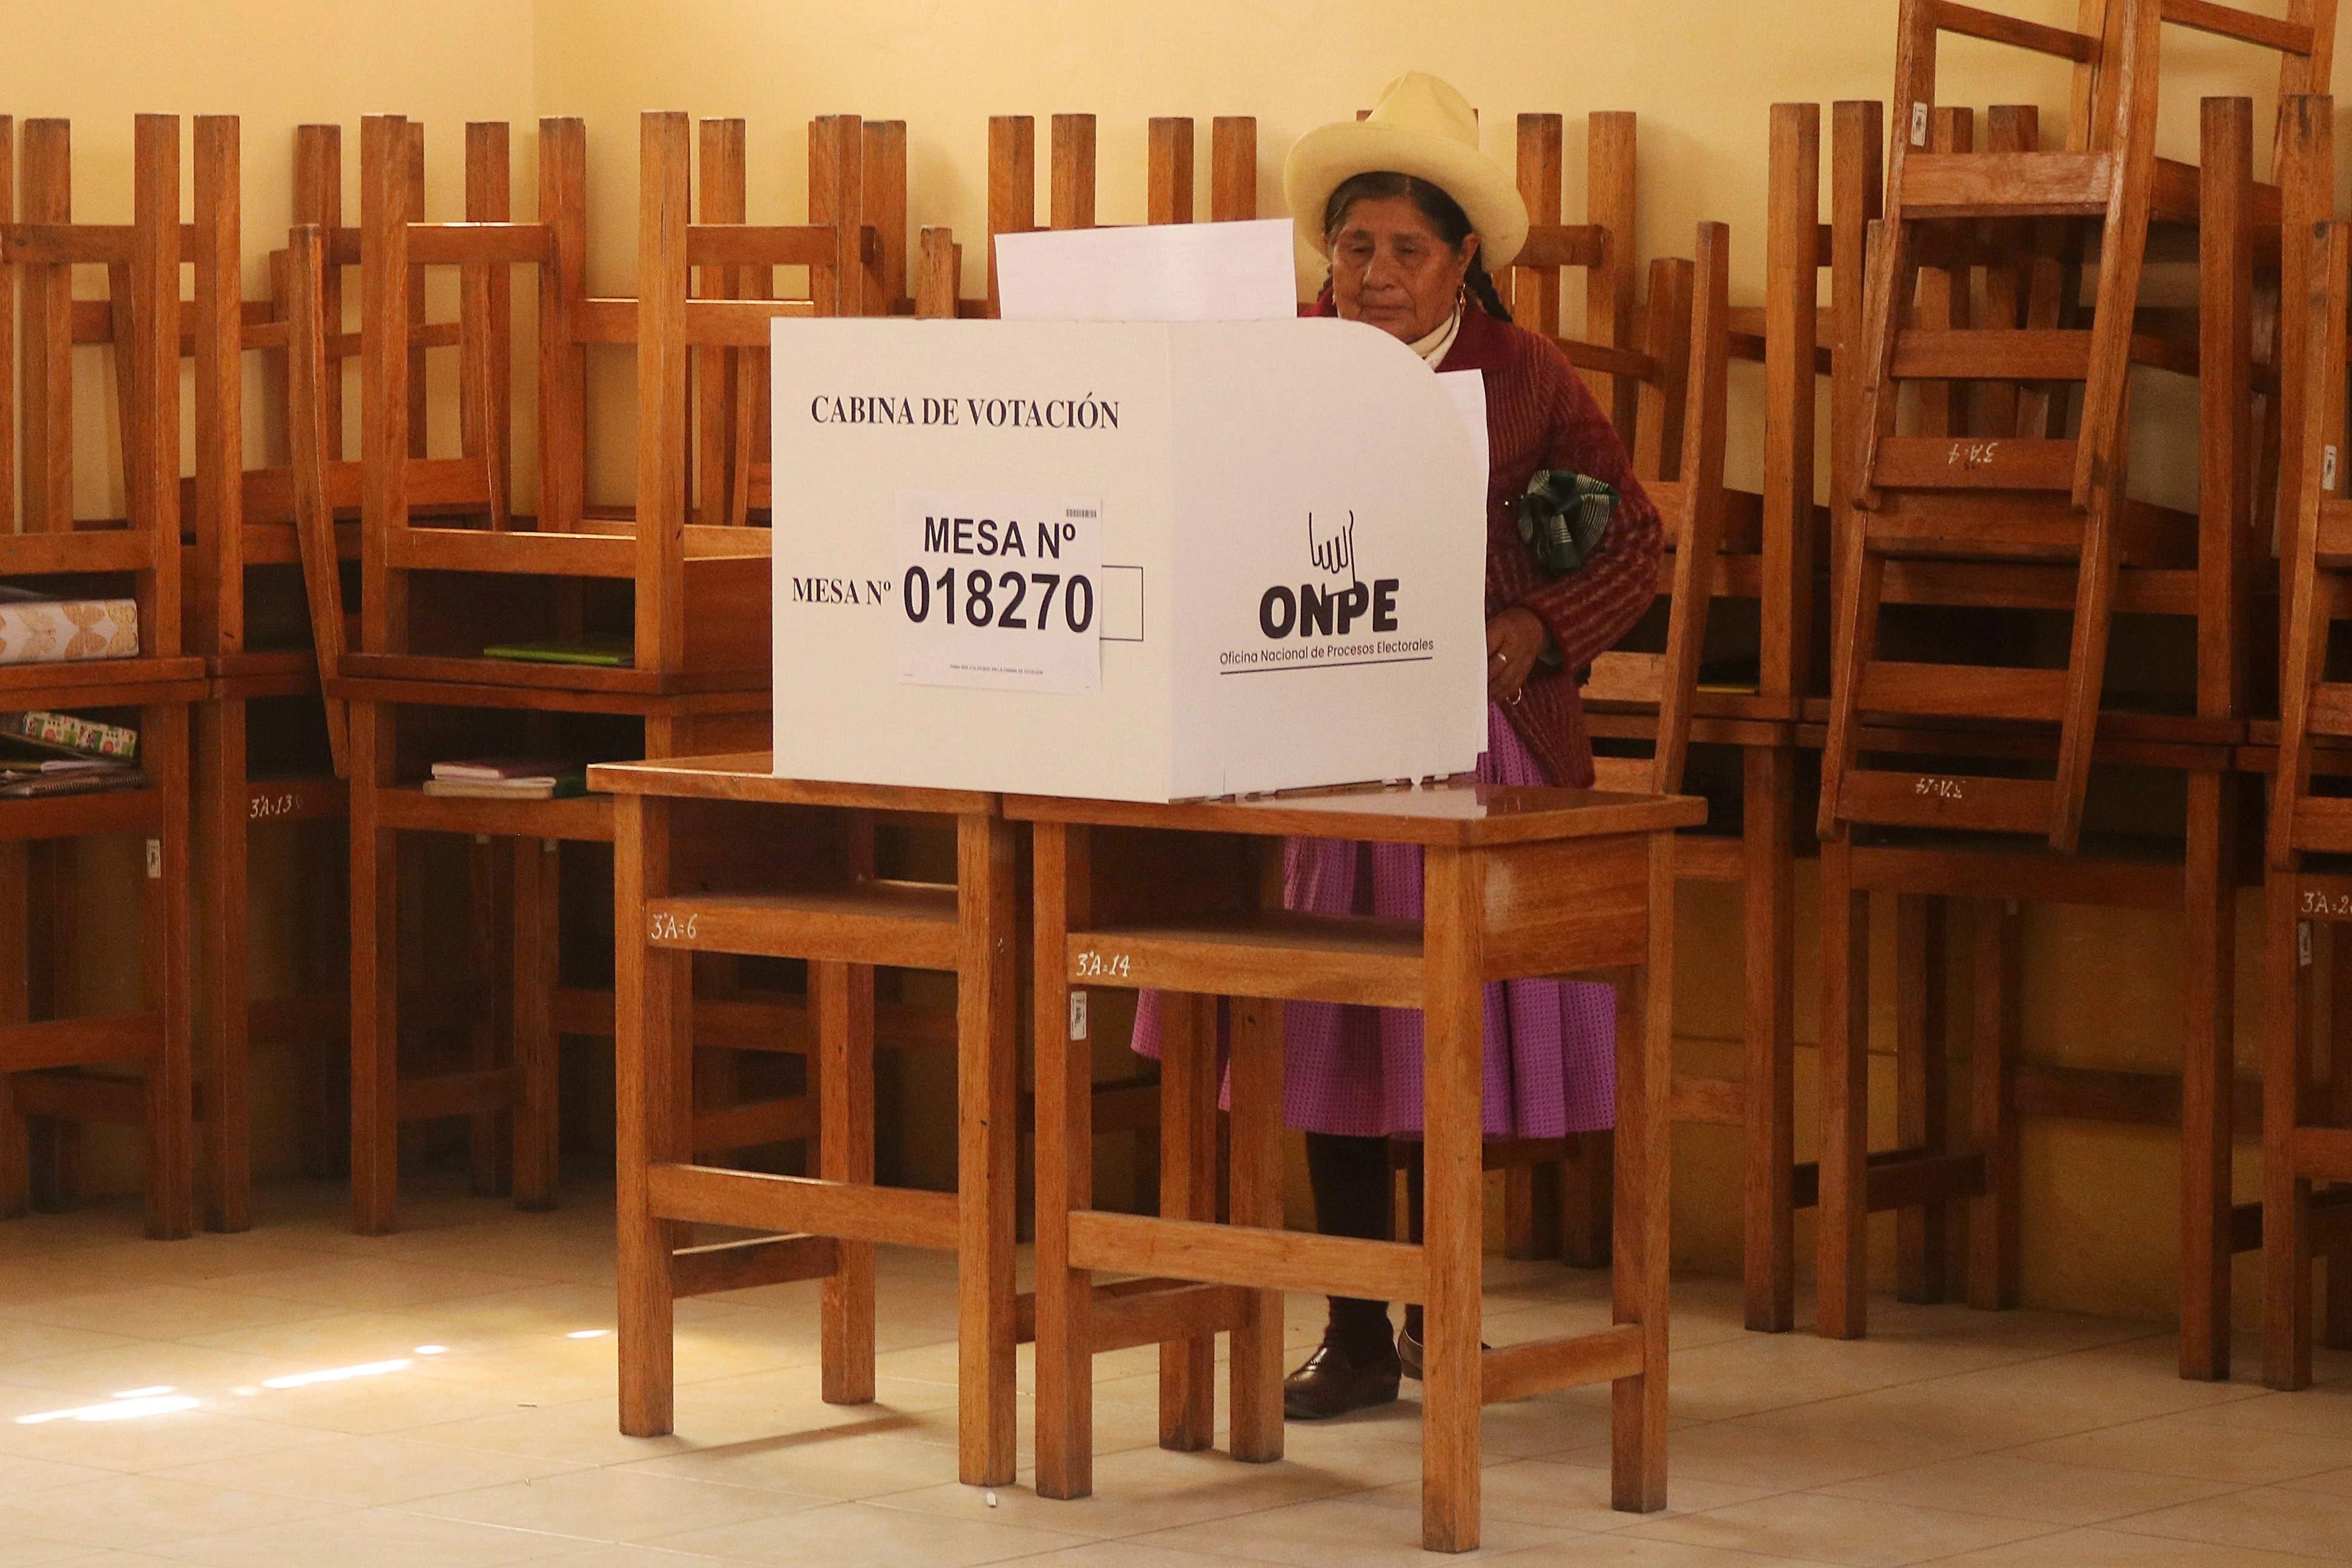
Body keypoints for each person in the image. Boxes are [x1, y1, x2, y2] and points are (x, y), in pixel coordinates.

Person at [1129, 71, 1662, 1420]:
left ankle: (1441, 1307)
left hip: (1478, 740)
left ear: (1463, 259)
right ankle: (1354, 1325)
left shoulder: (1527, 375)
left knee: (1443, 1035)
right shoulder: (1281, 355)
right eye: (1353, 246)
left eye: (1405, 250)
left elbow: (1631, 540)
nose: (1372, 274)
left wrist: (1535, 630)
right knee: (1329, 1018)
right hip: (1315, 735)